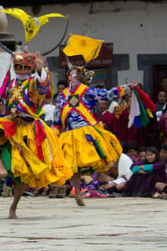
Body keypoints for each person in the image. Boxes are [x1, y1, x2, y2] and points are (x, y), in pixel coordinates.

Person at [0, 51, 71, 218]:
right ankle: (0, 168)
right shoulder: (11, 83)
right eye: (17, 67)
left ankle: (13, 206)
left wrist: (41, 70)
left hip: (28, 129)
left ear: (29, 69)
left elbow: (43, 89)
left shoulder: (33, 82)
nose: (20, 70)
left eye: (23, 67)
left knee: (20, 173)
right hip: (11, 122)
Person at [54, 65, 129, 207]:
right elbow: (57, 115)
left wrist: (124, 89)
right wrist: (55, 133)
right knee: (79, 162)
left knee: (92, 156)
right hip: (75, 132)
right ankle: (78, 191)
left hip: (79, 131)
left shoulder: (77, 92)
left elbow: (105, 95)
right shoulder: (67, 94)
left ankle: (93, 180)